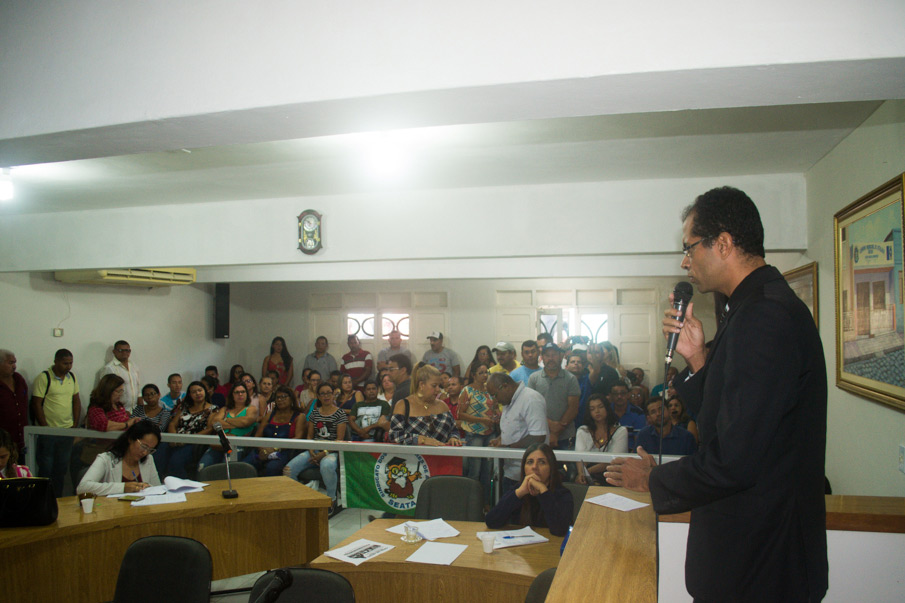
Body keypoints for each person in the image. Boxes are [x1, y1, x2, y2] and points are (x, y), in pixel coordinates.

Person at [605, 186, 828, 602]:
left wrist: (654, 479)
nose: (685, 262)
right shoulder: (747, 308)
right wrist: (697, 361)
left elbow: (736, 460)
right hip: (752, 558)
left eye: (689, 248)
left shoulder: (765, 316)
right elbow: (731, 420)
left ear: (723, 243)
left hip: (763, 566)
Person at [284, 381, 348, 516]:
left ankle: (331, 500)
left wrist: (324, 453)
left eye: (329, 393)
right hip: (314, 449)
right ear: (318, 396)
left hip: (332, 451)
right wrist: (312, 451)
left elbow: (339, 440)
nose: (326, 396)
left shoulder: (340, 413)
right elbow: (309, 436)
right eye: (322, 394)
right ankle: (302, 499)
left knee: (326, 465)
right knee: (288, 470)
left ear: (333, 395)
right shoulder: (314, 413)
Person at [485, 443, 572, 537]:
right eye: (530, 462)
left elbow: (559, 530)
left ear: (551, 468)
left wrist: (543, 490)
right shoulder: (518, 490)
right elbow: (491, 522)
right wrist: (519, 493)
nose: (534, 467)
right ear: (524, 468)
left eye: (542, 462)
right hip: (520, 548)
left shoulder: (563, 494)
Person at [29, 349, 81, 496]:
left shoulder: (72, 377)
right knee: (46, 468)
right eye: (65, 363)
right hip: (49, 432)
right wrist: (45, 428)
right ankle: (42, 498)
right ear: (56, 361)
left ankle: (57, 498)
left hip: (66, 431)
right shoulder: (44, 377)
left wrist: (75, 424)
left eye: (71, 363)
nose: (69, 366)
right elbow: (36, 403)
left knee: (61, 469)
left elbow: (76, 401)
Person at [486, 373, 549, 493]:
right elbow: (515, 428)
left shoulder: (531, 399)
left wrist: (508, 447)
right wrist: (500, 439)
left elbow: (538, 436)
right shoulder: (509, 401)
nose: (495, 400)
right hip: (511, 470)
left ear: (505, 386)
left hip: (531, 474)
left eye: (495, 395)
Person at [77, 421, 161, 496]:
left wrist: (148, 487)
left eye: (150, 449)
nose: (145, 452)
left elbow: (158, 489)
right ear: (131, 439)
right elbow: (82, 488)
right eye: (144, 446)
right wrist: (123, 487)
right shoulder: (106, 459)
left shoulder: (148, 459)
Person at [388, 364, 462, 446]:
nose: (438, 390)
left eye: (439, 385)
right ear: (421, 385)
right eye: (434, 386)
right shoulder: (403, 406)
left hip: (442, 457)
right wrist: (420, 439)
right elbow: (394, 435)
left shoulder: (443, 405)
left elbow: (454, 430)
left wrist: (454, 438)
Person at [527, 343, 580, 450]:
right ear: (542, 358)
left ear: (560, 356)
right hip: (540, 435)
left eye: (554, 354)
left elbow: (573, 408)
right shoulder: (534, 379)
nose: (551, 358)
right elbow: (532, 408)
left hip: (566, 436)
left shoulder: (571, 379)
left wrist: (556, 432)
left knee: (568, 466)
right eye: (547, 355)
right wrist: (551, 425)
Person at [242, 385, 304, 476]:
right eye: (277, 397)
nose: (279, 400)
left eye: (283, 397)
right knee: (245, 465)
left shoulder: (299, 416)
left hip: (283, 451)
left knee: (272, 467)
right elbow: (257, 436)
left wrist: (275, 449)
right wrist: (262, 450)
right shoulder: (270, 414)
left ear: (291, 399)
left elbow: (298, 437)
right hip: (263, 449)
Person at [457, 363, 496, 506]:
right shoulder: (467, 391)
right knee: (475, 470)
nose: (485, 375)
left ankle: (485, 503)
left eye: (487, 372)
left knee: (487, 471)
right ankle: (470, 503)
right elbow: (460, 414)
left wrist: (496, 417)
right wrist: (481, 419)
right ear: (474, 375)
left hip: (489, 432)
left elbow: (494, 408)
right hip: (474, 433)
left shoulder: (489, 391)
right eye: (481, 373)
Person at [198, 383, 259, 472]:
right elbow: (215, 423)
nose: (240, 394)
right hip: (219, 443)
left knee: (227, 470)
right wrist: (236, 423)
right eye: (237, 392)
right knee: (202, 467)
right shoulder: (225, 409)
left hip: (237, 444)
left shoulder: (251, 409)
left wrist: (225, 420)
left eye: (243, 392)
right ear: (232, 395)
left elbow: (245, 422)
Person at [159, 381, 214, 479]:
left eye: (200, 390)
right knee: (159, 452)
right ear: (189, 395)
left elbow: (209, 429)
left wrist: (187, 439)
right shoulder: (184, 407)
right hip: (176, 439)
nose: (197, 393)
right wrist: (174, 438)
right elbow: (172, 424)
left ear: (205, 392)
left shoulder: (213, 409)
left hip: (194, 443)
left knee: (175, 461)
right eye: (194, 392)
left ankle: (181, 487)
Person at [575, 395, 628, 485]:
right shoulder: (583, 430)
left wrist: (587, 472)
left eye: (600, 407)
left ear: (607, 408)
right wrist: (581, 474)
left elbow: (613, 460)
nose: (597, 411)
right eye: (592, 409)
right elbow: (579, 457)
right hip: (588, 476)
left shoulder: (621, 431)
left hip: (612, 476)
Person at [0, 349, 29, 454]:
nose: (14, 366)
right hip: (3, 443)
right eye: (10, 363)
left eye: (15, 362)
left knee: (21, 469)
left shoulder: (19, 379)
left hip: (23, 441)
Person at [102, 340, 141, 411]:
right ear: (114, 352)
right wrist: (119, 411)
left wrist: (141, 408)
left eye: (127, 350)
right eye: (120, 350)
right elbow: (106, 393)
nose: (124, 353)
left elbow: (137, 388)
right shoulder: (109, 368)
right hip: (120, 411)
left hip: (135, 409)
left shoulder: (134, 366)